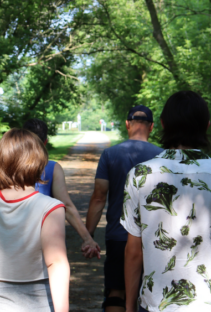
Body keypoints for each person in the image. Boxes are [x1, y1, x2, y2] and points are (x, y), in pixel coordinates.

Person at [121, 91, 211, 312]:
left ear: (161, 124)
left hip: (156, 304)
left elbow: (133, 251)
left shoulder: (139, 175)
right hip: (208, 305)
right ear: (206, 126)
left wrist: (129, 307)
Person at [0, 128, 70, 312]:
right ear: (39, 163)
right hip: (36, 302)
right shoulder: (50, 208)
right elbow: (56, 263)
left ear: (0, 161)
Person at [86, 105, 164, 312]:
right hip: (156, 238)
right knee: (154, 293)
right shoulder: (164, 156)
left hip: (119, 236)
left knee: (116, 292)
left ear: (127, 124)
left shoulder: (110, 154)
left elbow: (98, 198)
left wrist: (89, 235)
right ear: (152, 127)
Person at [23, 118, 101, 258]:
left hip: (13, 242)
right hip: (45, 246)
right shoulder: (52, 169)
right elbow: (66, 206)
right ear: (45, 142)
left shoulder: (8, 168)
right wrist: (87, 239)